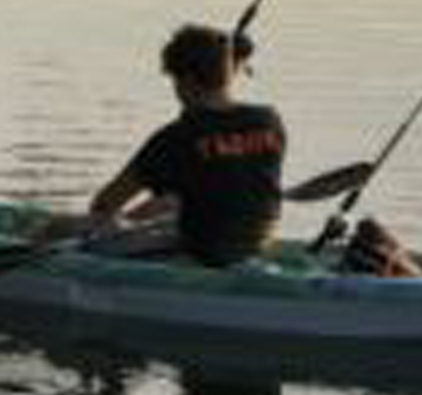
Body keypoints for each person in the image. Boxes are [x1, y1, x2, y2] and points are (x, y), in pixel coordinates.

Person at [89, 23, 286, 267]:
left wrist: (120, 222)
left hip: (202, 254)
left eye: (174, 78)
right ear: (228, 72)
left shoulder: (176, 138)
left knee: (68, 230)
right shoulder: (269, 121)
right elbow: (228, 182)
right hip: (256, 244)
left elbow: (105, 204)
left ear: (188, 79)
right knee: (168, 204)